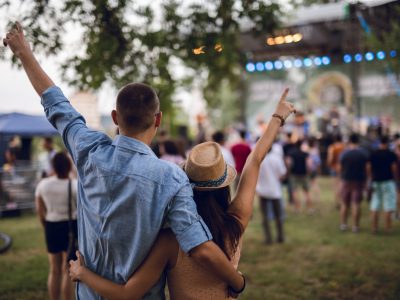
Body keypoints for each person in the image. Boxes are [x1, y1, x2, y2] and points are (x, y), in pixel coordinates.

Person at [4, 22, 245, 299]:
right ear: (158, 119)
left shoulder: (88, 150)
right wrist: (238, 281)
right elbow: (199, 248)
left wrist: (24, 53)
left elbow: (55, 102)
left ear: (115, 118)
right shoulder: (171, 178)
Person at [68, 90, 296, 299]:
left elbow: (127, 293)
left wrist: (82, 273)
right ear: (223, 186)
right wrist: (278, 117)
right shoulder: (236, 223)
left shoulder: (169, 242)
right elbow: (254, 160)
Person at [35, 152, 78, 300]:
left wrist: (45, 225)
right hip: (70, 227)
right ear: (68, 166)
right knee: (67, 269)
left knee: (54, 269)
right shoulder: (74, 185)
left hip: (51, 225)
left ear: (53, 166)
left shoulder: (43, 185)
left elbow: (40, 210)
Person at [256, 146, 287, 244]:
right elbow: (283, 174)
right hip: (275, 190)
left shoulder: (259, 159)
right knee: (278, 215)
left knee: (265, 217)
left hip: (262, 190)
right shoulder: (276, 159)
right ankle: (280, 236)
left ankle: (268, 238)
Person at [367, 136, 398, 233]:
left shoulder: (373, 154)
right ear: (388, 143)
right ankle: (387, 228)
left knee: (375, 204)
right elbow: (394, 168)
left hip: (376, 181)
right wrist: (395, 178)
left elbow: (368, 167)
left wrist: (371, 177)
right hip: (388, 181)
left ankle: (374, 228)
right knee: (388, 205)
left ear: (379, 143)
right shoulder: (391, 154)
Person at [339, 133, 369, 233]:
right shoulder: (363, 153)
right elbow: (367, 168)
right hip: (358, 181)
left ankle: (343, 224)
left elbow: (340, 168)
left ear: (349, 141)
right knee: (356, 204)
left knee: (344, 203)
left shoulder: (344, 153)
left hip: (346, 180)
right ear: (358, 141)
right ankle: (355, 226)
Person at [286, 140, 313, 213]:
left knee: (294, 191)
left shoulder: (291, 153)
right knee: (307, 191)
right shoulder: (305, 154)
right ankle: (310, 208)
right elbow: (309, 165)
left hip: (294, 174)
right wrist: (309, 172)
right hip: (304, 174)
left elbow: (289, 163)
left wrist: (288, 171)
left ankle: (297, 208)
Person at [327, 134, 345, 209]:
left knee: (336, 186)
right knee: (342, 186)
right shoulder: (344, 147)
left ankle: (337, 202)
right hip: (343, 168)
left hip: (334, 168)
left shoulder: (332, 147)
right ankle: (342, 201)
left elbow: (330, 158)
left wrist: (329, 164)